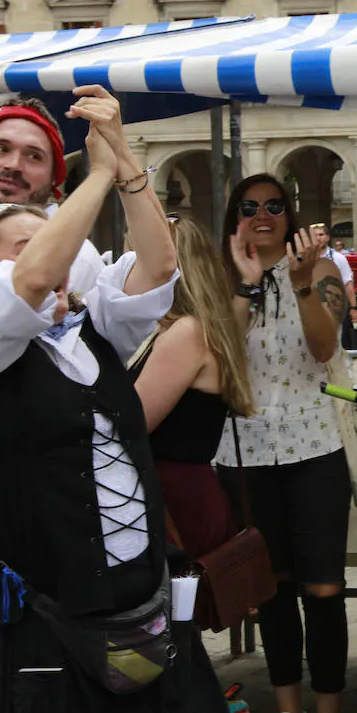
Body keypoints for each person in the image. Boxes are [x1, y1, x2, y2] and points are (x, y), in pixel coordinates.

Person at [0, 87, 238, 713]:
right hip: (35, 611)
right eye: (25, 249)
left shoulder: (89, 334)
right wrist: (96, 178)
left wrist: (125, 166)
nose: (51, 263)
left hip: (128, 603)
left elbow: (159, 269)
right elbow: (28, 284)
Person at [216, 175, 357, 713]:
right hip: (244, 453)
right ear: (235, 217)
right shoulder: (220, 279)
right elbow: (221, 352)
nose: (263, 216)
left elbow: (325, 348)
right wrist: (246, 284)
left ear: (291, 213)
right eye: (250, 208)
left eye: (275, 206)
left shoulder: (323, 272)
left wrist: (301, 282)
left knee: (323, 590)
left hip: (315, 446)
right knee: (269, 593)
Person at [132, 215, 256, 561]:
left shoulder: (186, 333)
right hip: (183, 494)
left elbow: (130, 423)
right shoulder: (195, 329)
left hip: (174, 502)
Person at [0, 97, 106, 295]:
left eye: (34, 156)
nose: (13, 164)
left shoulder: (74, 257)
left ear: (54, 177)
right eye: (0, 149)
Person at [312, 223, 357, 330]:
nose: (318, 238)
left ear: (327, 237)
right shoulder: (304, 259)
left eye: (321, 235)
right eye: (315, 235)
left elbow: (347, 284)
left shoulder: (338, 259)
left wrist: (353, 308)